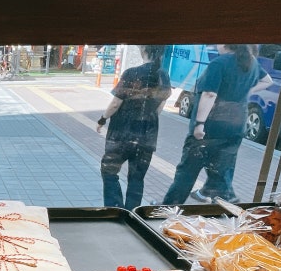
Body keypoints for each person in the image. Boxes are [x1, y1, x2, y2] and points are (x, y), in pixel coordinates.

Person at [162, 44, 273, 205]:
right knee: (221, 172)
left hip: (211, 126)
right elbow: (267, 80)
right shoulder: (251, 62)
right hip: (236, 126)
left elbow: (209, 94)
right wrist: (247, 90)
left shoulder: (219, 63)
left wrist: (199, 124)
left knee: (187, 171)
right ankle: (224, 202)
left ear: (225, 43)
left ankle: (168, 207)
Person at [96, 45, 171, 209]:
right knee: (137, 178)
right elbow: (159, 107)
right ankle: (132, 213)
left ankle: (115, 209)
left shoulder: (132, 73)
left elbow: (116, 103)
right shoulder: (164, 76)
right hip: (147, 136)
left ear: (143, 49)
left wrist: (102, 119)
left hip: (122, 135)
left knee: (109, 171)